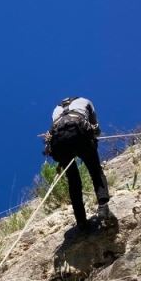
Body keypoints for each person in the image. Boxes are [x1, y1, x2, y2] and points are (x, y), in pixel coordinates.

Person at [45, 96, 113, 230]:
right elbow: (95, 128)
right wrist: (93, 143)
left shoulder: (56, 110)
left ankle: (81, 221)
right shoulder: (86, 101)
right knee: (95, 171)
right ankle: (103, 207)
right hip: (80, 134)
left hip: (60, 143)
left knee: (73, 181)